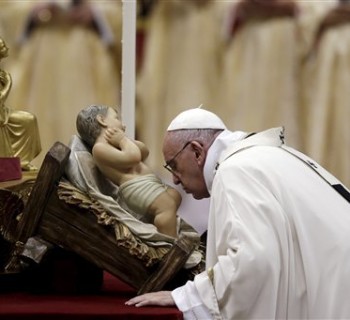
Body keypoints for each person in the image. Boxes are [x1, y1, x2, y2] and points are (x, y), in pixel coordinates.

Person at [126, 107, 350, 319]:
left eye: (173, 165)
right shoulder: (262, 156)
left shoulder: (235, 170)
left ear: (196, 151)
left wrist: (187, 297)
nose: (174, 179)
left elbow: (252, 261)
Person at [76, 105, 181, 238]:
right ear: (102, 120)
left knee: (175, 195)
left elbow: (144, 152)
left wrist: (123, 140)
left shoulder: (116, 144)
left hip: (148, 183)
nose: (122, 125)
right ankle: (169, 243)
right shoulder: (99, 149)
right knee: (167, 206)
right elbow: (134, 157)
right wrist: (123, 140)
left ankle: (161, 224)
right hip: (136, 187)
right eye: (116, 118)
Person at [0, 37, 41, 170]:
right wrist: (8, 84)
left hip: (2, 112)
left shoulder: (1, 73)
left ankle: (21, 162)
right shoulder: (4, 76)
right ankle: (8, 167)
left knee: (29, 120)